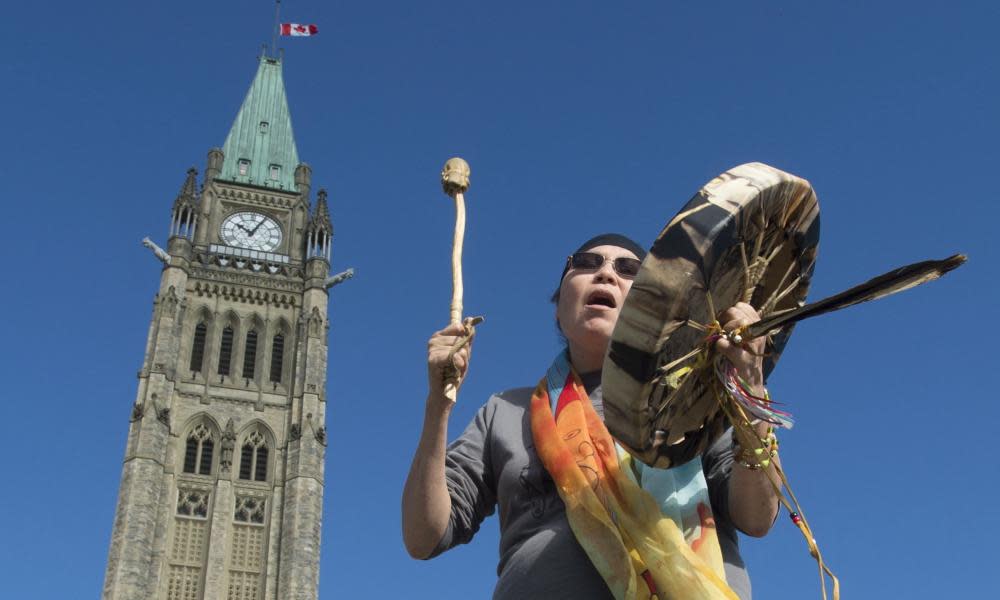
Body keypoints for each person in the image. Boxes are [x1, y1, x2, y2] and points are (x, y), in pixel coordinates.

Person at [402, 233, 780, 599]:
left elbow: (756, 516)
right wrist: (439, 402)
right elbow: (424, 536)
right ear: (558, 306)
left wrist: (750, 384)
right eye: (586, 263)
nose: (606, 273)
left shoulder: (697, 399)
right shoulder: (505, 410)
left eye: (630, 268)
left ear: (659, 309)